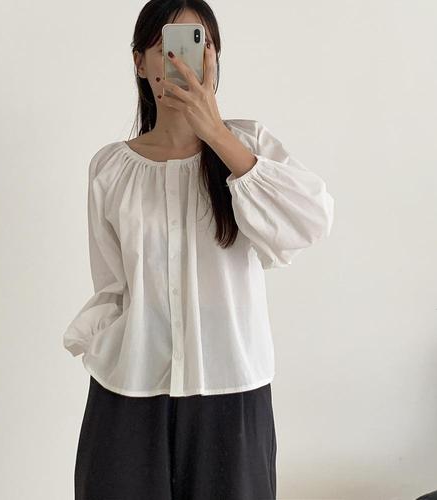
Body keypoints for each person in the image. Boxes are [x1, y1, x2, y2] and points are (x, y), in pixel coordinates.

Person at [63, 1, 335, 499]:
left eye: (197, 45)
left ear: (214, 57)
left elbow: (310, 222)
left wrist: (215, 132)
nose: (181, 61)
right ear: (140, 62)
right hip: (128, 394)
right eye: (165, 47)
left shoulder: (249, 146)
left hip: (231, 393)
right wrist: (109, 351)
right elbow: (112, 286)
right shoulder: (111, 168)